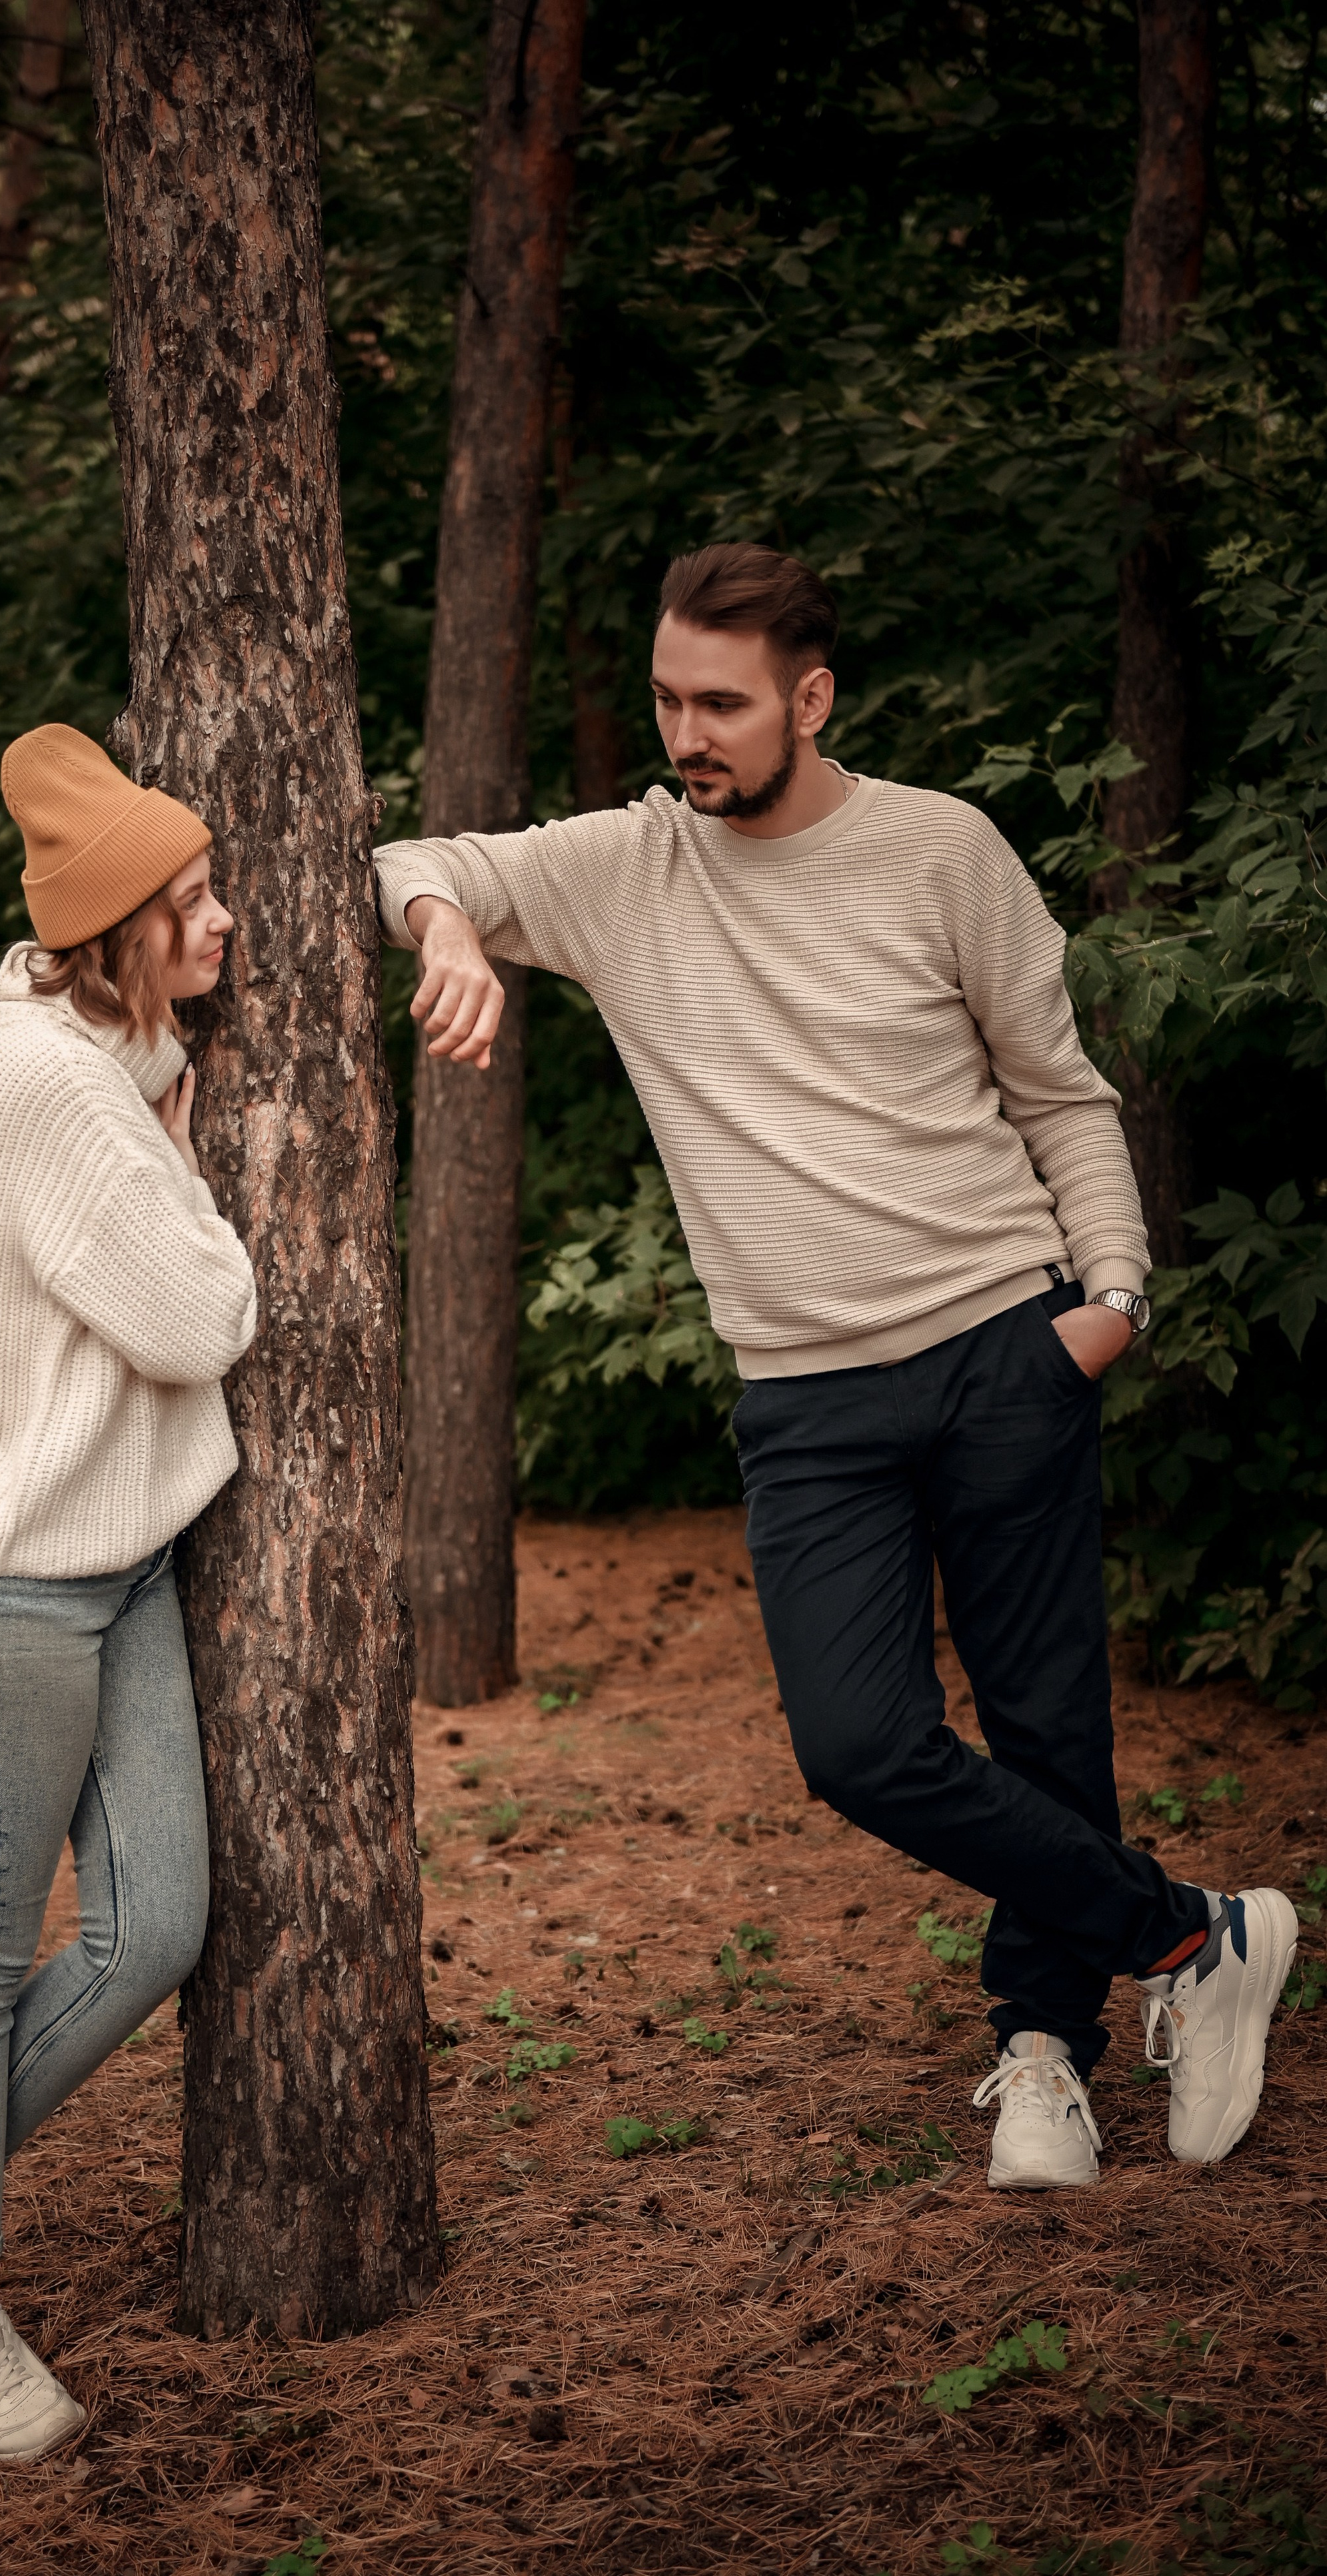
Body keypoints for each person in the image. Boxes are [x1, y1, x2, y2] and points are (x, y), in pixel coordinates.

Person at [376, 541, 1297, 2192]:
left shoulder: (940, 850)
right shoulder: (627, 867)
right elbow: (409, 856)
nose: (687, 734)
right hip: (806, 1399)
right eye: (667, 699)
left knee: (1043, 1727)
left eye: (721, 705)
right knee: (856, 1746)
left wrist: (1111, 1301)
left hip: (1002, 1343)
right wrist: (447, 928)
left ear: (809, 699)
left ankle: (1042, 2048)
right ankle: (1192, 1939)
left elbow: (1058, 1090)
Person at [0, 724, 256, 2459]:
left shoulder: (98, 1035)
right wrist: (185, 1158)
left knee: (157, 1923)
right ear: (118, 930)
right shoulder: (62, 1095)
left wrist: (166, 1110)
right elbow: (206, 1316)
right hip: (8, 1586)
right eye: (193, 898)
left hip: (118, 1559)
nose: (221, 920)